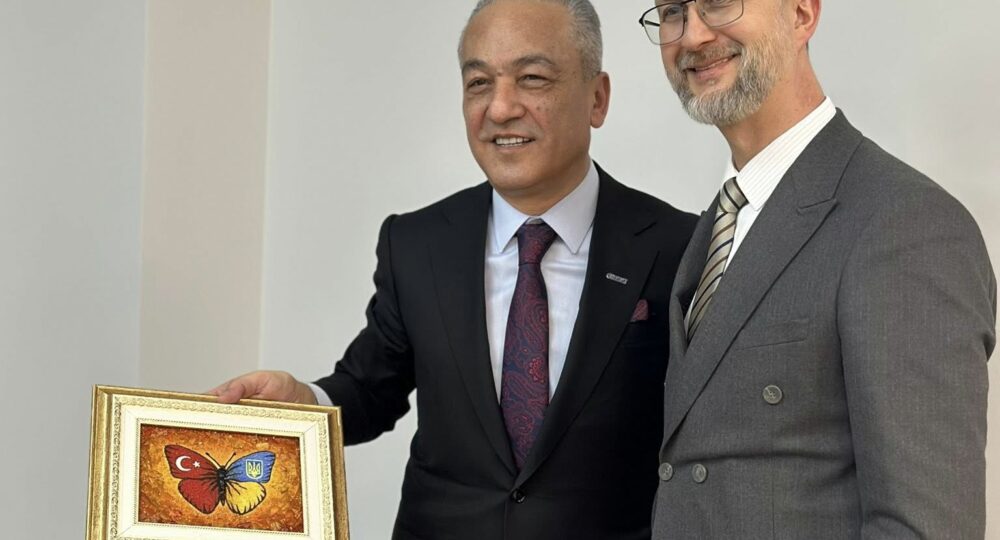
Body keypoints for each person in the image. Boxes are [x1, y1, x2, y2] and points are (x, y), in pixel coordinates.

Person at [212, 1, 697, 538]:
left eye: (532, 78)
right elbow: (370, 389)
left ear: (597, 98)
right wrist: (306, 403)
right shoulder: (416, 243)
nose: (501, 108)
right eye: (479, 83)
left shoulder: (680, 247)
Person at [638, 0, 997, 537]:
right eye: (672, 11)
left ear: (802, 14)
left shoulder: (905, 224)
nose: (691, 36)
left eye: (717, 3)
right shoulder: (717, 225)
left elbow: (924, 527)